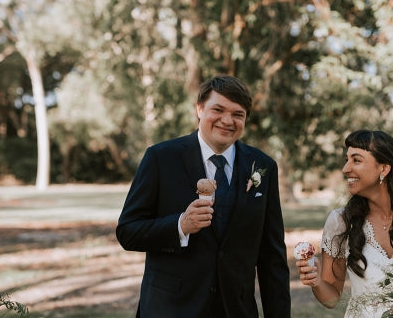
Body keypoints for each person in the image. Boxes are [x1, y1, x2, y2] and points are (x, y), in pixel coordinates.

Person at [116, 76, 291, 318]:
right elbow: (127, 231)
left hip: (235, 310)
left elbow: (272, 257)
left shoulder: (262, 166)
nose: (227, 121)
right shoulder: (161, 158)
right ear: (200, 109)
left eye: (237, 114)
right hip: (172, 309)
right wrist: (180, 225)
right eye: (218, 110)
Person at [296, 129, 393, 318]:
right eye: (347, 159)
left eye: (356, 160)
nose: (346, 169)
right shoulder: (340, 222)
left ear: (384, 168)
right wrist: (315, 281)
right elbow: (332, 299)